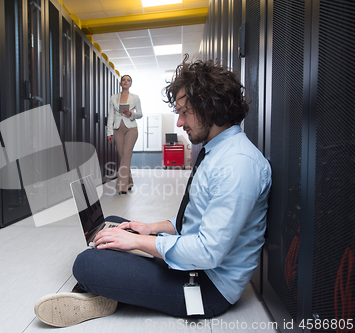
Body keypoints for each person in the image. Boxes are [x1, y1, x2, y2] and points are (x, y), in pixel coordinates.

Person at [34, 56, 272, 327]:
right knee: (116, 226)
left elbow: (208, 252)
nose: (180, 122)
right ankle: (112, 286)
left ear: (210, 108)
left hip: (207, 285)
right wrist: (149, 228)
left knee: (87, 264)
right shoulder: (219, 151)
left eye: (185, 111)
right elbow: (195, 223)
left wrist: (137, 242)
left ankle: (102, 293)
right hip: (194, 263)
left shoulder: (238, 164)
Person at [106, 75, 143, 194]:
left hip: (131, 128)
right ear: (120, 83)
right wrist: (109, 132)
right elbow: (111, 115)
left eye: (128, 80)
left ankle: (122, 187)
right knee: (122, 156)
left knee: (126, 155)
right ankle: (129, 182)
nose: (125, 82)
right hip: (117, 128)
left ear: (131, 84)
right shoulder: (113, 97)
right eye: (123, 80)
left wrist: (131, 113)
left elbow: (140, 114)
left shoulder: (135, 98)